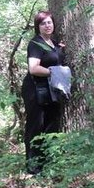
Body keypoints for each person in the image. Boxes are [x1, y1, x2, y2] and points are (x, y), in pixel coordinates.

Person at [22, 11, 65, 174]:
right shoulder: (35, 44)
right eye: (43, 23)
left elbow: (53, 57)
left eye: (49, 22)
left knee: (51, 124)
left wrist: (59, 49)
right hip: (35, 90)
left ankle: (47, 162)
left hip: (51, 90)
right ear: (37, 26)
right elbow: (33, 68)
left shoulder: (53, 43)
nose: (47, 26)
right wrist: (55, 73)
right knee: (36, 126)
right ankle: (33, 167)